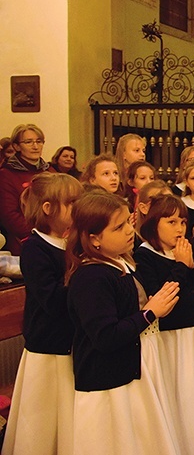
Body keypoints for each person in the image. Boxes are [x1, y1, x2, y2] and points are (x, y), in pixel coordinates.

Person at [65, 190, 181, 454]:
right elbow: (105, 336)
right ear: (94, 239)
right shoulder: (92, 276)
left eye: (128, 222)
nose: (130, 230)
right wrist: (150, 312)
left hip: (129, 371)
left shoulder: (119, 264)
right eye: (119, 227)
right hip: (107, 382)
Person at [135, 194, 194, 455]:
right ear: (154, 223)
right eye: (171, 222)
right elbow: (162, 295)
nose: (179, 228)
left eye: (182, 222)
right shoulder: (145, 255)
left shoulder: (184, 249)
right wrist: (180, 265)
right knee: (179, 392)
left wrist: (190, 264)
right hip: (170, 335)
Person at [1, 173, 83, 455]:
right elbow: (51, 300)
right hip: (48, 345)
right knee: (45, 418)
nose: (79, 207)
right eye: (72, 202)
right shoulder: (34, 249)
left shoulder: (72, 241)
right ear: (48, 208)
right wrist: (83, 282)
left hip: (72, 341)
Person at [0, 124, 52, 255]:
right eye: (28, 142)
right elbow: (9, 215)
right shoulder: (6, 174)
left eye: (39, 141)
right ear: (17, 146)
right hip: (25, 241)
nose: (35, 146)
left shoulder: (50, 171)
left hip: (54, 236)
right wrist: (40, 235)